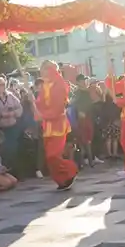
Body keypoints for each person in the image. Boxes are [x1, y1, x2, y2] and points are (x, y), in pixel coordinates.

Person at [36, 61, 78, 190]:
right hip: (47, 125)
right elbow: (41, 103)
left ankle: (71, 170)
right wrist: (34, 102)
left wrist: (43, 115)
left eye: (44, 70)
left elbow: (59, 107)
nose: (42, 73)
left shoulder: (60, 85)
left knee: (53, 155)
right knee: (50, 157)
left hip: (58, 124)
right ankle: (62, 180)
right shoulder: (45, 86)